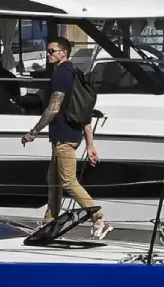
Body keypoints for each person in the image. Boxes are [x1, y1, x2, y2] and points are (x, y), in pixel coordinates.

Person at [19, 36, 106, 237]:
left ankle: (99, 217)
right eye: (47, 51)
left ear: (63, 53)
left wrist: (33, 131)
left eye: (52, 51)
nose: (48, 54)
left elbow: (54, 107)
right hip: (71, 135)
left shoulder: (60, 75)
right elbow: (84, 111)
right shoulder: (75, 73)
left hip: (63, 137)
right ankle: (50, 222)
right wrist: (90, 145)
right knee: (53, 180)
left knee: (67, 182)